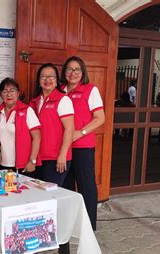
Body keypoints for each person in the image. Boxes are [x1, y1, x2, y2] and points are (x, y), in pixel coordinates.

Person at [61, 56, 105, 230]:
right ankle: (70, 224)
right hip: (63, 148)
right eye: (69, 69)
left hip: (83, 147)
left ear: (83, 72)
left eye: (77, 69)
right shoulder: (60, 90)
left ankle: (89, 227)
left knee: (86, 186)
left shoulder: (90, 90)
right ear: (64, 72)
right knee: (66, 187)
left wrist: (80, 133)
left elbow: (100, 118)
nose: (73, 73)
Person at [29, 63, 74, 186]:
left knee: (51, 196)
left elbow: (69, 129)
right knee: (40, 196)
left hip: (56, 158)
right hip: (38, 158)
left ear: (56, 81)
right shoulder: (35, 102)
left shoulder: (63, 100)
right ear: (39, 81)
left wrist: (62, 155)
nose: (47, 80)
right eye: (43, 77)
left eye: (51, 77)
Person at [0, 77, 41, 173]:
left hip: (23, 165)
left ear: (18, 93)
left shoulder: (27, 110)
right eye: (5, 91)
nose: (9, 94)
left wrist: (32, 161)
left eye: (12, 91)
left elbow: (37, 137)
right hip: (2, 164)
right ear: (0, 95)